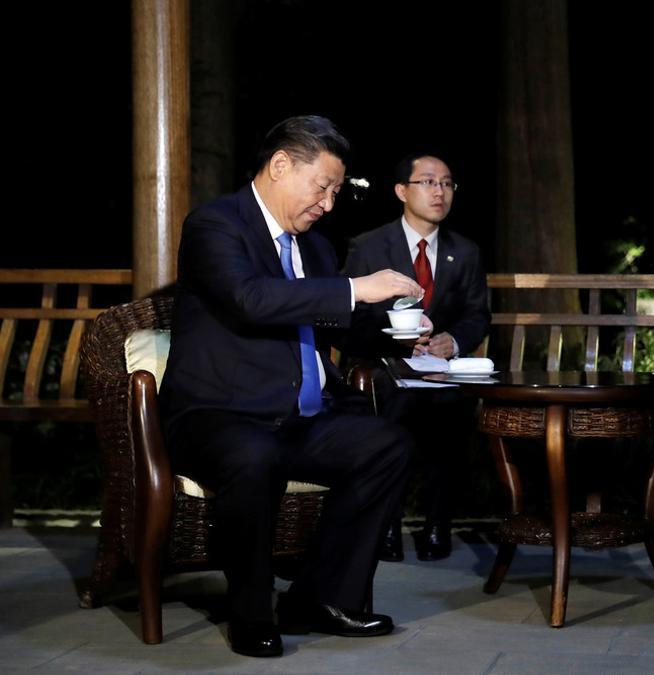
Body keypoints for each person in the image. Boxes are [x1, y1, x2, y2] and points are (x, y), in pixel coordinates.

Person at [159, 116, 423, 658]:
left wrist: (405, 335)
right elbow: (249, 299)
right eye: (322, 186)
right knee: (255, 457)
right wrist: (355, 287)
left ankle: (322, 598)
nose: (328, 203)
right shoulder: (215, 225)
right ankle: (251, 613)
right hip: (218, 415)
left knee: (387, 445)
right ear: (281, 166)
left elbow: (343, 323)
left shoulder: (317, 248)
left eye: (334, 191)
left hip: (299, 418)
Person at [342, 153, 490, 562]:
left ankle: (437, 526)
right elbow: (347, 316)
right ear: (401, 191)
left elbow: (478, 314)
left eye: (446, 183)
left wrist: (453, 342)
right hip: (385, 364)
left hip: (440, 370)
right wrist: (394, 340)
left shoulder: (466, 251)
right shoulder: (369, 246)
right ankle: (386, 527)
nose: (439, 191)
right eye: (427, 182)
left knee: (453, 406)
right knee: (393, 401)